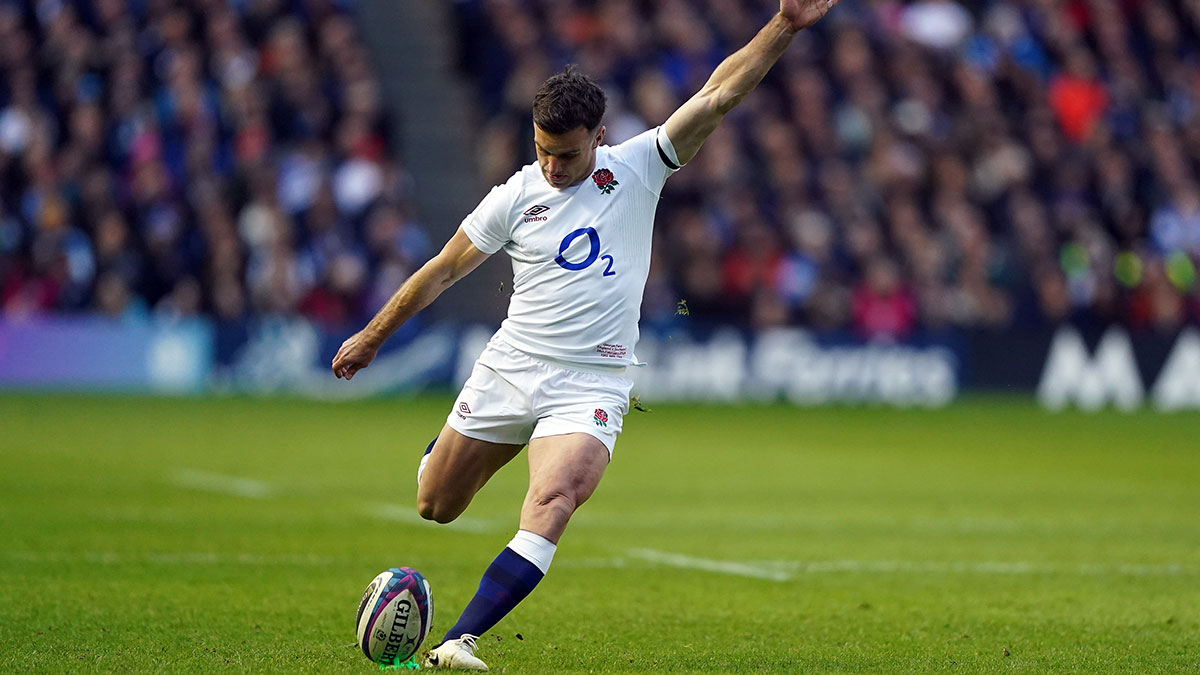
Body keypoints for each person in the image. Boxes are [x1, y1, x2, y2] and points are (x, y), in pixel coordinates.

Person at [331, 0, 844, 668]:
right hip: (513, 364)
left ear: (598, 136)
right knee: (435, 503)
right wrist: (371, 337)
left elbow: (717, 97)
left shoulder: (639, 167)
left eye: (566, 154)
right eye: (542, 151)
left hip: (592, 382)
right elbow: (440, 271)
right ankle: (446, 450)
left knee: (555, 496)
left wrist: (783, 27)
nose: (551, 166)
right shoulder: (514, 195)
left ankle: (459, 639)